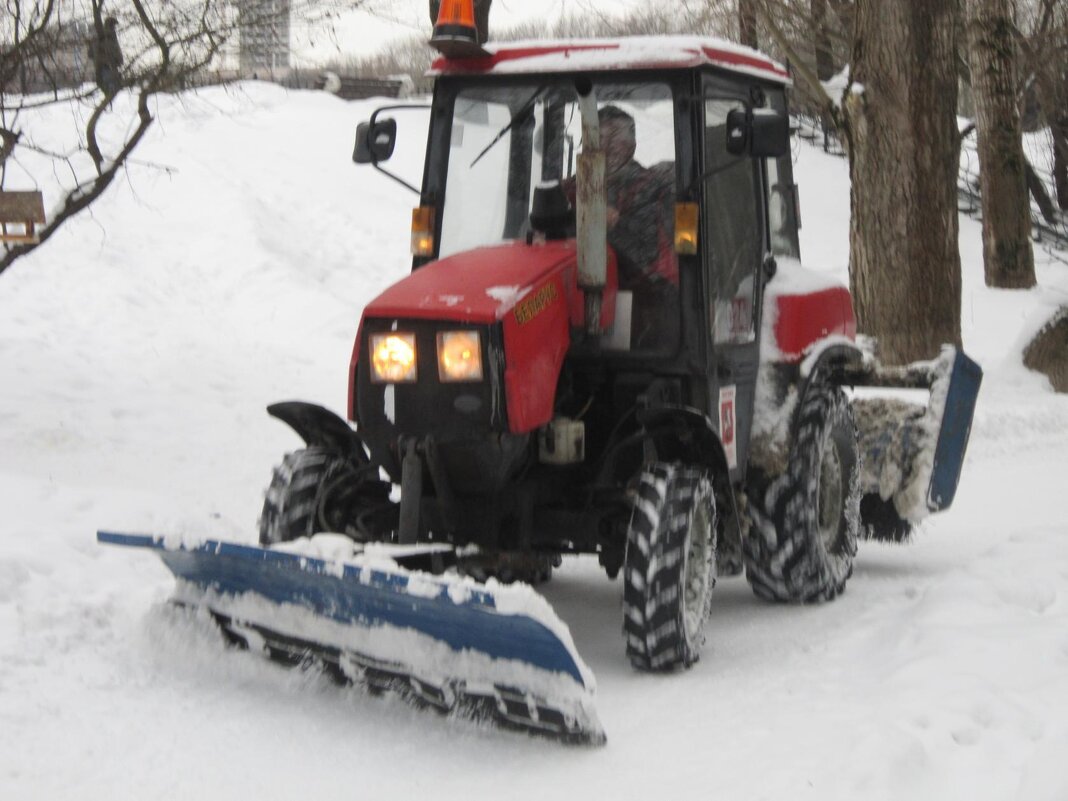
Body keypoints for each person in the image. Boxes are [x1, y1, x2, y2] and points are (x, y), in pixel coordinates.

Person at [593, 105, 679, 348]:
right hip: (579, 297)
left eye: (615, 138)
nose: (607, 146)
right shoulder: (574, 188)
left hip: (647, 298)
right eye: (599, 138)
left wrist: (618, 223)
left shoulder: (653, 187)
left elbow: (648, 244)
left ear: (631, 145)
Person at [91, 16, 123, 98]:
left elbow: (115, 49)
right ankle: (108, 99)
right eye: (113, 25)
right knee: (110, 87)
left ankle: (108, 99)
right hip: (106, 65)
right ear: (110, 25)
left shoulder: (109, 35)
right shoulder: (105, 35)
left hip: (109, 65)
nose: (115, 27)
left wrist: (119, 60)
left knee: (112, 86)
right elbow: (113, 49)